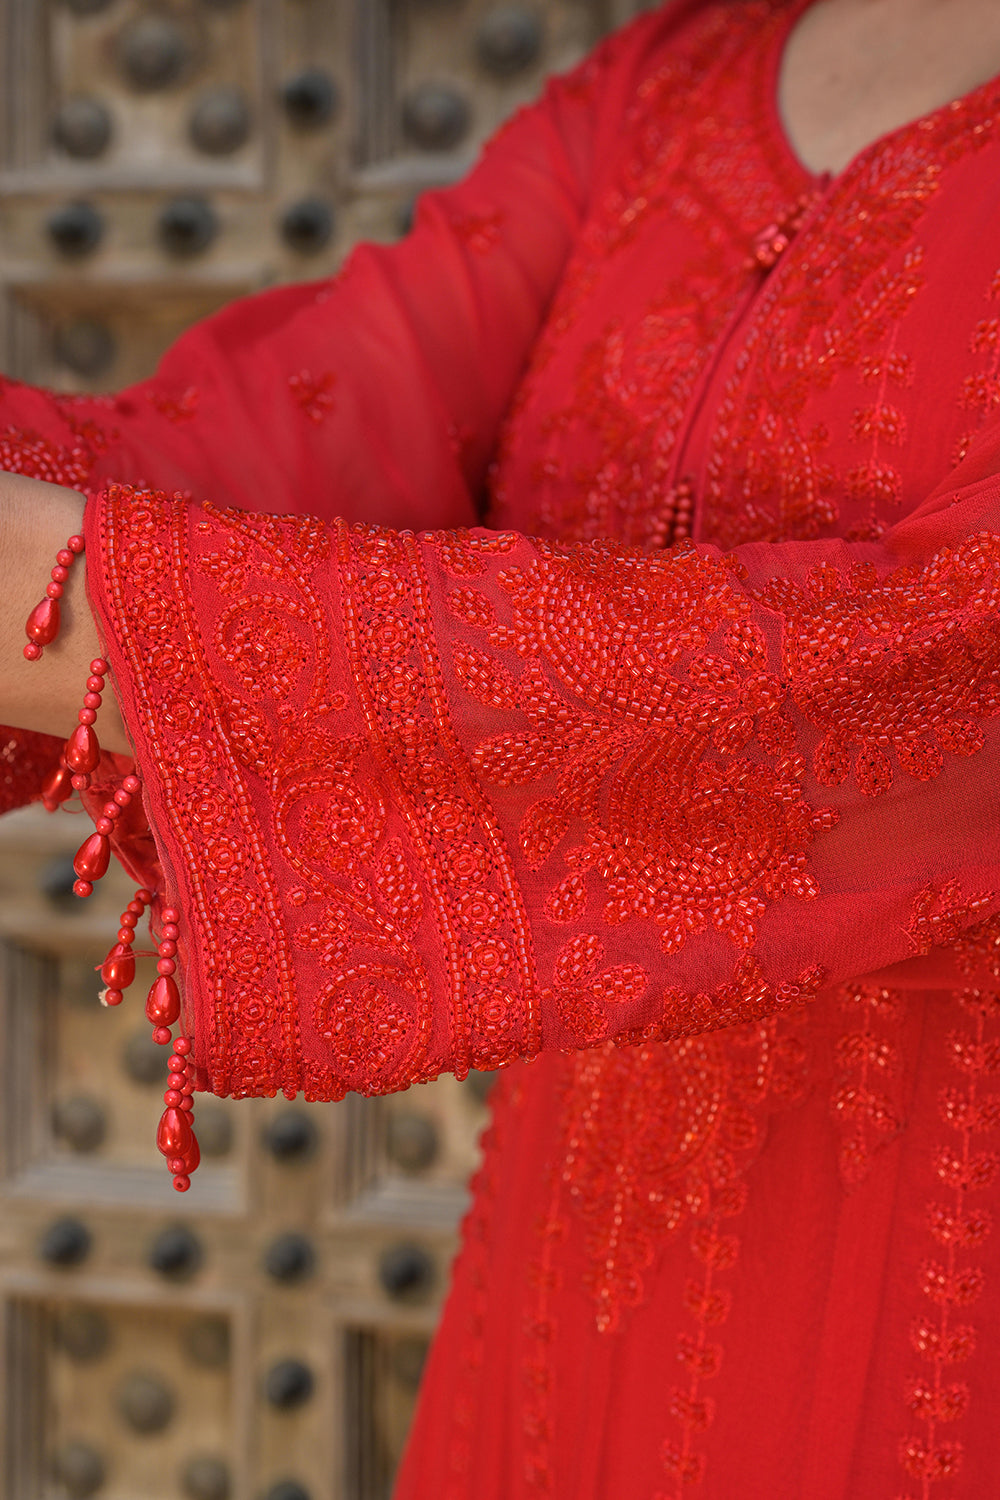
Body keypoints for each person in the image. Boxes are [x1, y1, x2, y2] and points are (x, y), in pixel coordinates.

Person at [4, 0, 1000, 1491]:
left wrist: (66, 594)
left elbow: (917, 691)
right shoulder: (675, 84)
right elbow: (299, 436)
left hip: (933, 1275)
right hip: (584, 1253)